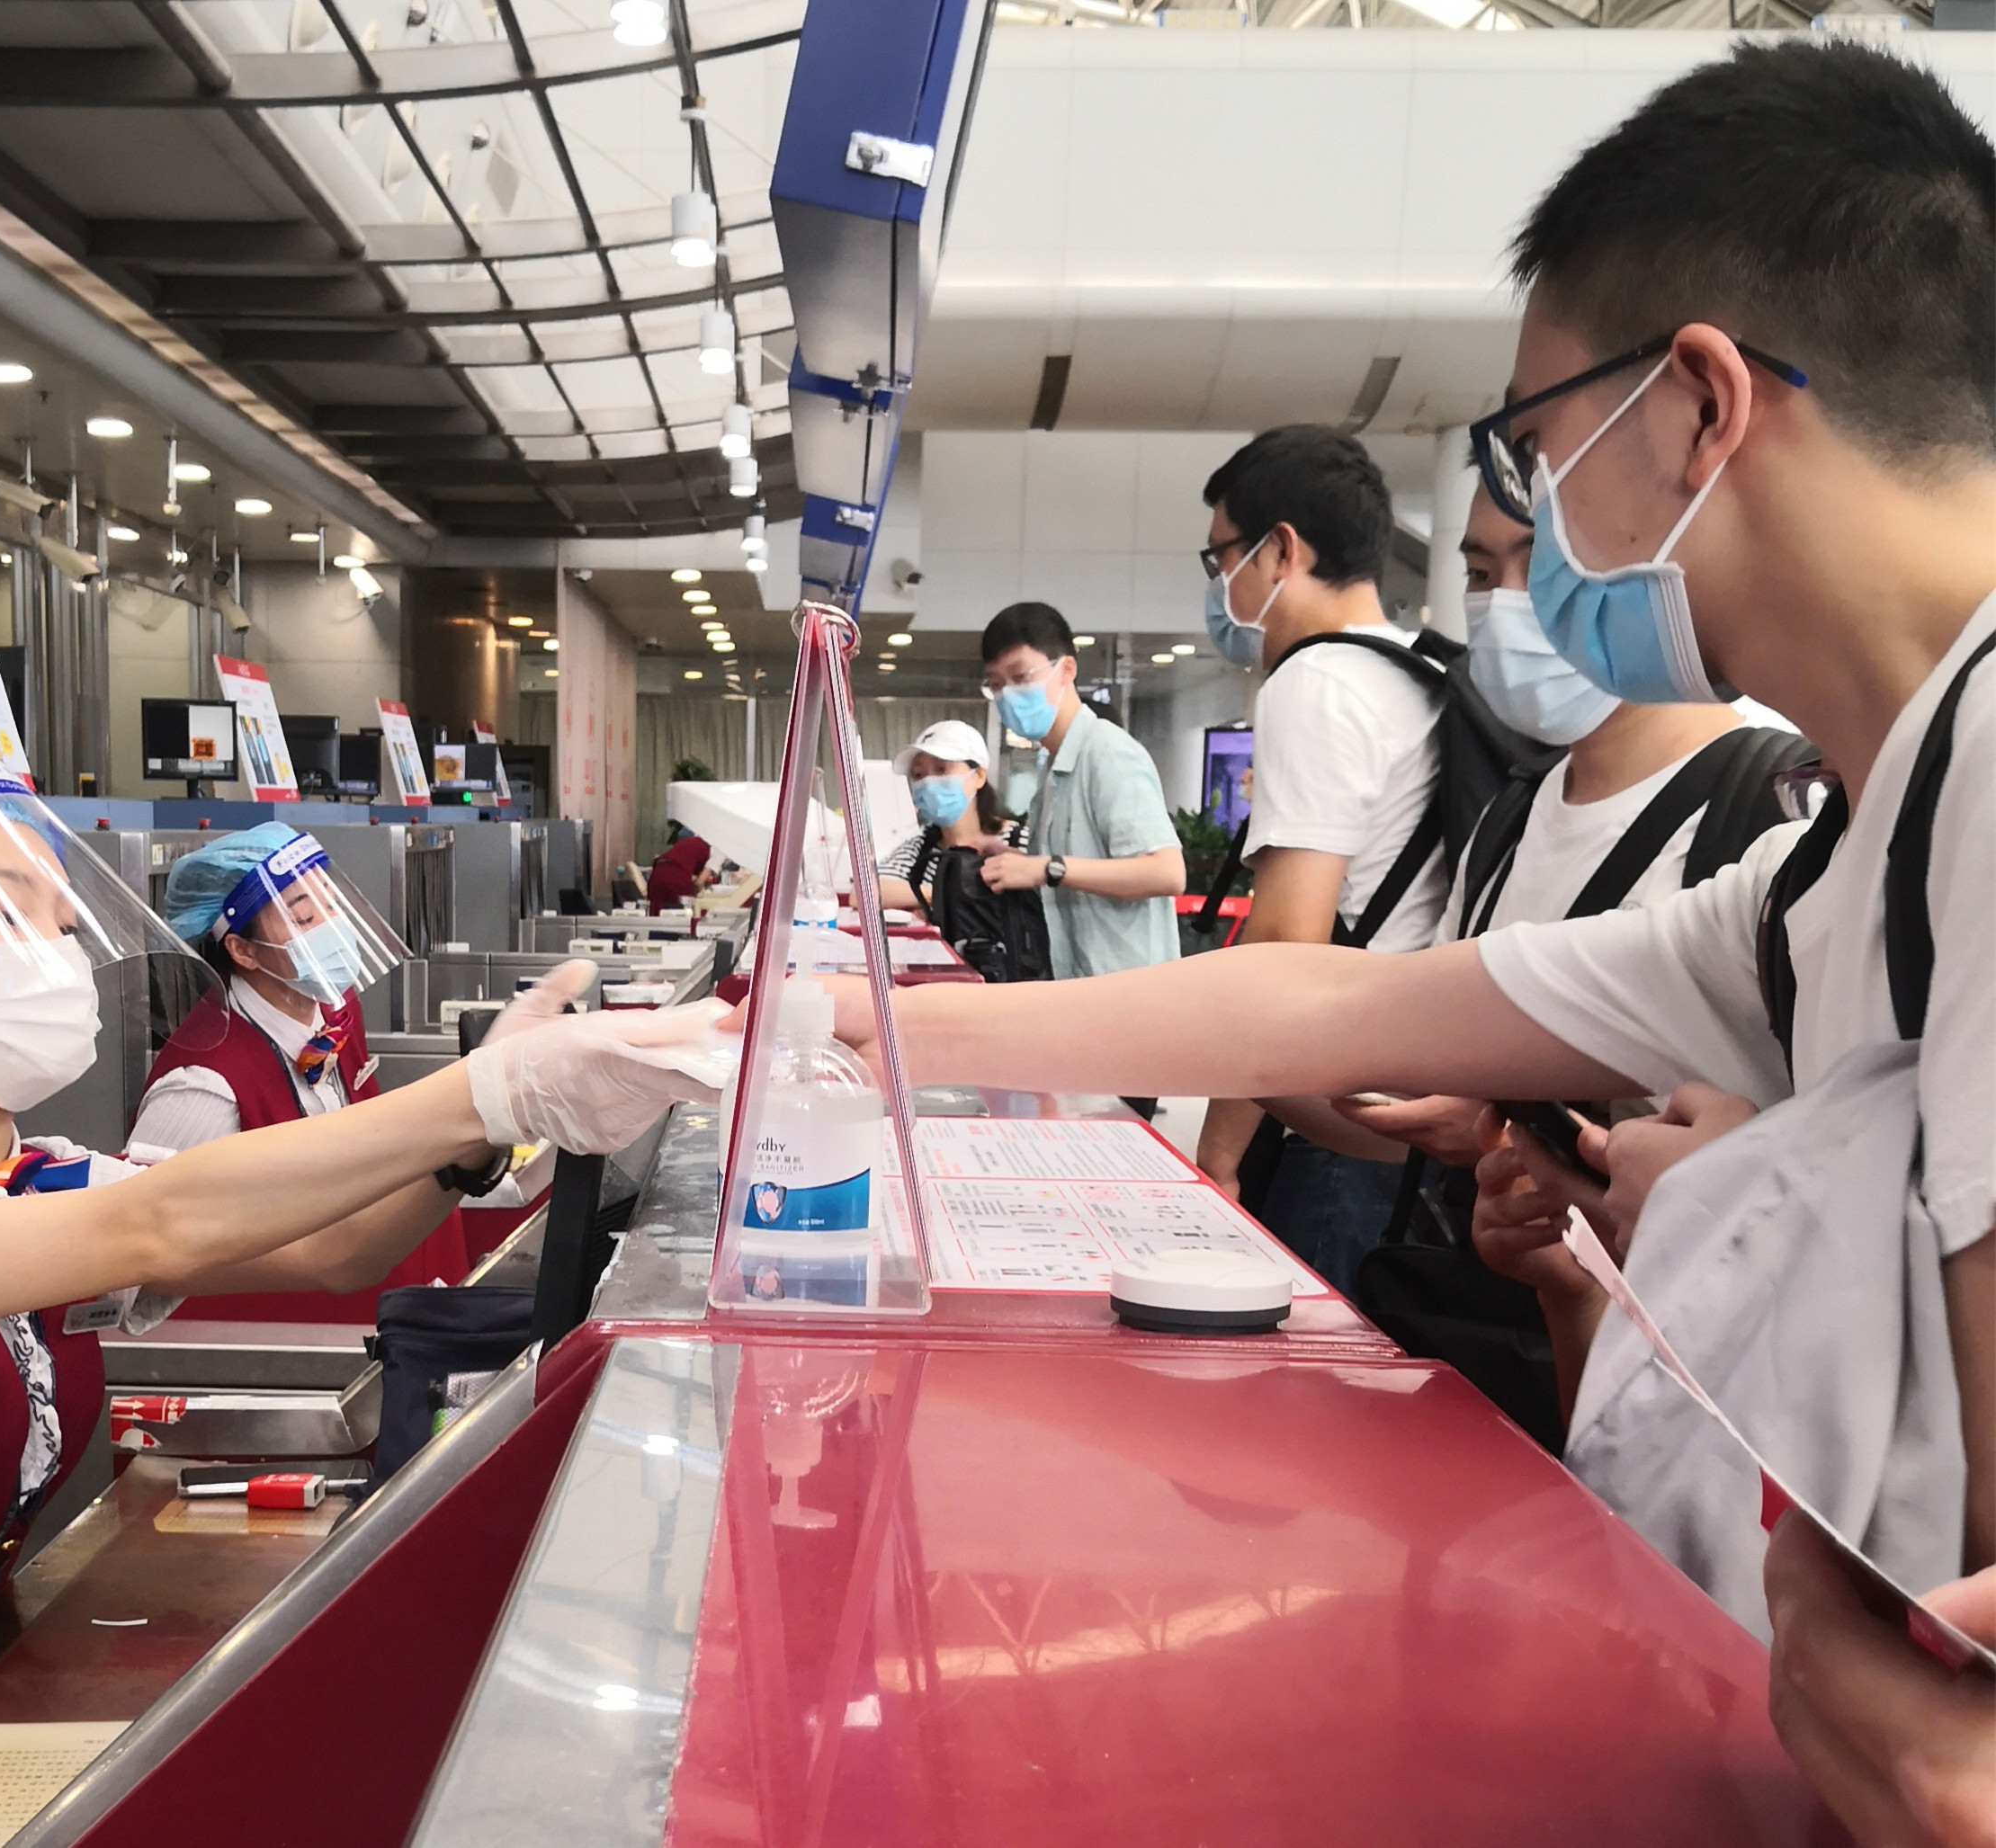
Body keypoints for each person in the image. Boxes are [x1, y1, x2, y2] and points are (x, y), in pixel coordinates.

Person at [815, 40, 1993, 1827]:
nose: (1524, 535)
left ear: (1699, 403)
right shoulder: (1850, 861)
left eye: (1542, 445)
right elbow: (1342, 1003)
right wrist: (864, 1031)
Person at [0, 757, 716, 1848]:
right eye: (6, 894)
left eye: (59, 895)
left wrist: (476, 1134)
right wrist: (482, 1089)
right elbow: (161, 1221)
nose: (63, 927)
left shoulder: (33, 1174)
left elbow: (327, 1253)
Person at [1323, 467, 1811, 1445]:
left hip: (1704, 1412)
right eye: (1478, 570)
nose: (1509, 604)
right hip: (1515, 1346)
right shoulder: (1512, 810)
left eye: (1540, 564)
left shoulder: (1772, 809)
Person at [1189, 427, 1446, 1291]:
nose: (1221, 583)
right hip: (1424, 1113)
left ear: (1281, 548)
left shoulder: (1317, 681)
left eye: (1221, 555)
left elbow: (1285, 949)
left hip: (1346, 1131)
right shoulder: (1421, 669)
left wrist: (1217, 1154)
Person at [123, 823, 488, 1316]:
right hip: (281, 1335)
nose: (331, 927)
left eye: (331, 904)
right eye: (304, 915)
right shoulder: (203, 1087)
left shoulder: (335, 1012)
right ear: (242, 950)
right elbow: (139, 1257)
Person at [975, 602, 1184, 978]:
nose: (1008, 694)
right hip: (1082, 990)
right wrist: (1013, 861)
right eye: (995, 685)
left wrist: (1047, 868)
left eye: (1020, 677)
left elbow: (1167, 873)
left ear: (1066, 669)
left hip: (1131, 994)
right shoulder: (1054, 769)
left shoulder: (1107, 752)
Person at [873, 719, 1050, 983]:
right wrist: (945, 895)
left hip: (1017, 986)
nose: (928, 783)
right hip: (944, 985)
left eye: (942, 770)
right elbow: (865, 892)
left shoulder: (1018, 842)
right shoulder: (922, 849)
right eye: (919, 775)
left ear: (978, 776)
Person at [647, 826, 713, 912]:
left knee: (655, 915)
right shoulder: (717, 850)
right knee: (680, 916)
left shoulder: (691, 841)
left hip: (658, 872)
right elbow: (699, 882)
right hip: (676, 878)